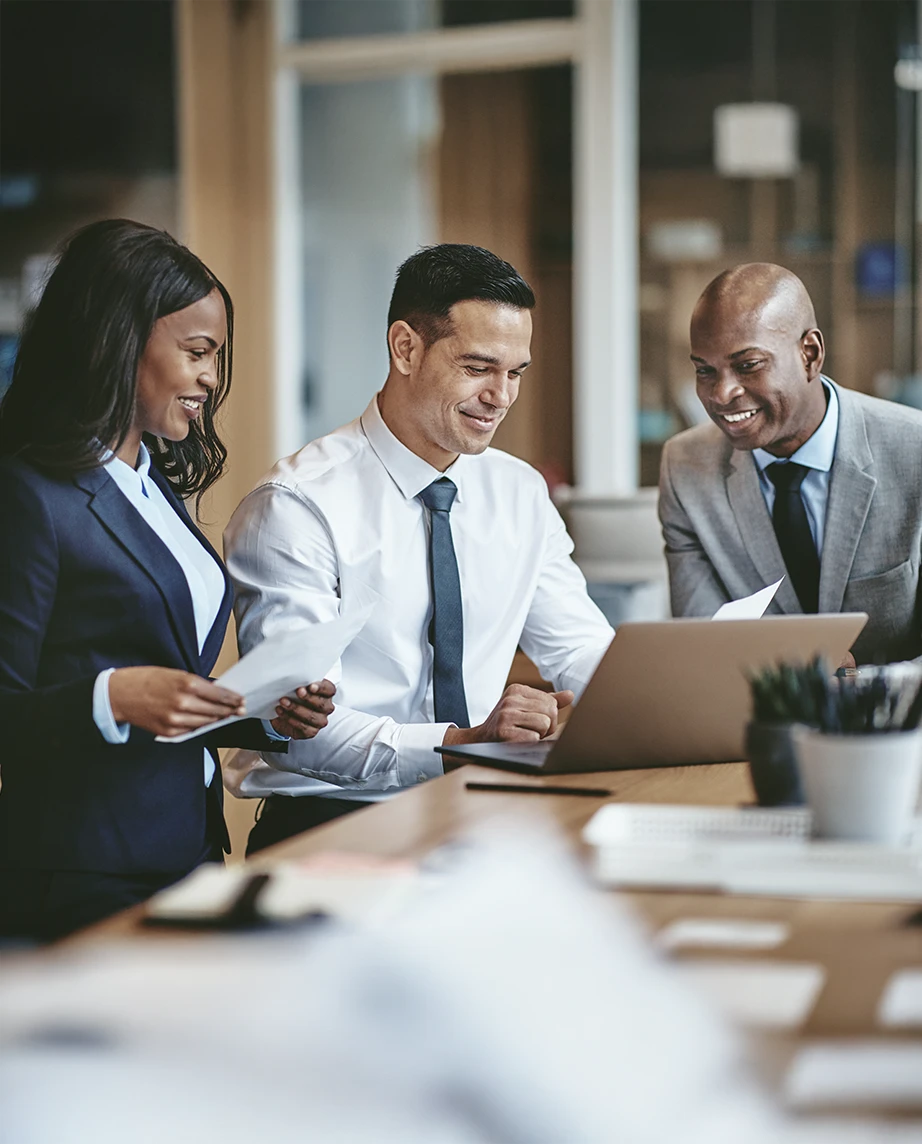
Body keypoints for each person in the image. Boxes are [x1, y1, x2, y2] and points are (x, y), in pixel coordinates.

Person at [0, 219, 335, 942]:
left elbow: (166, 690)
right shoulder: (29, 493)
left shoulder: (151, 488)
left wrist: (262, 715)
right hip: (81, 875)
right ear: (119, 340)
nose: (211, 380)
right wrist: (112, 694)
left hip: (187, 851)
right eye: (197, 353)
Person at [224, 243, 614, 852]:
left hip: (485, 819)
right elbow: (300, 731)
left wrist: (654, 705)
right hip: (333, 831)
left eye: (515, 373)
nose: (501, 396)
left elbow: (580, 647)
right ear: (405, 347)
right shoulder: (297, 505)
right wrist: (465, 743)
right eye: (478, 367)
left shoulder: (519, 492)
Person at [659, 261, 922, 666]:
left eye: (748, 365)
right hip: (759, 719)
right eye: (705, 371)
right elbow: (704, 647)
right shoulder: (685, 467)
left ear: (810, 355)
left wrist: (862, 688)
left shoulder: (913, 450)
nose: (722, 393)